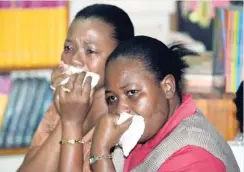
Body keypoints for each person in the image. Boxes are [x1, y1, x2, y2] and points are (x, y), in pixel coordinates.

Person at [90, 36, 240, 172]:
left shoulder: (195, 157)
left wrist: (100, 154)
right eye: (112, 98)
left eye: (132, 92)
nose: (120, 109)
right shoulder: (133, 135)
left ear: (167, 87)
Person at [18, 4, 134, 172]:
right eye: (68, 48)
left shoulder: (125, 120)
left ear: (120, 56)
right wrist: (65, 118)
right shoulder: (63, 103)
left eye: (90, 51)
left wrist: (71, 122)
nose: (75, 60)